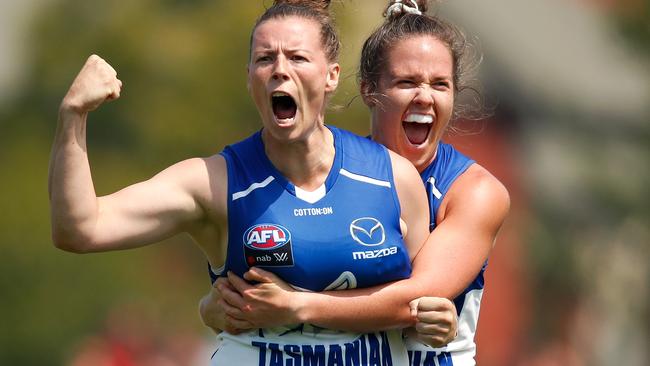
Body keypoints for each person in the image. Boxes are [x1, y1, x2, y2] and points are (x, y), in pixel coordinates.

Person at [48, 0, 440, 364]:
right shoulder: (213, 182)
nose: (280, 70)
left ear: (331, 76)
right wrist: (73, 116)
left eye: (298, 57)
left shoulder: (393, 178)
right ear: (250, 77)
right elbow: (80, 229)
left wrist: (439, 320)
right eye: (265, 59)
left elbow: (421, 309)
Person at [199, 0, 511, 365]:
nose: (424, 96)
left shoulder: (475, 191)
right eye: (406, 82)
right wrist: (214, 307)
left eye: (439, 85)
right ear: (368, 90)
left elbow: (411, 301)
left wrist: (295, 307)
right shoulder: (337, 175)